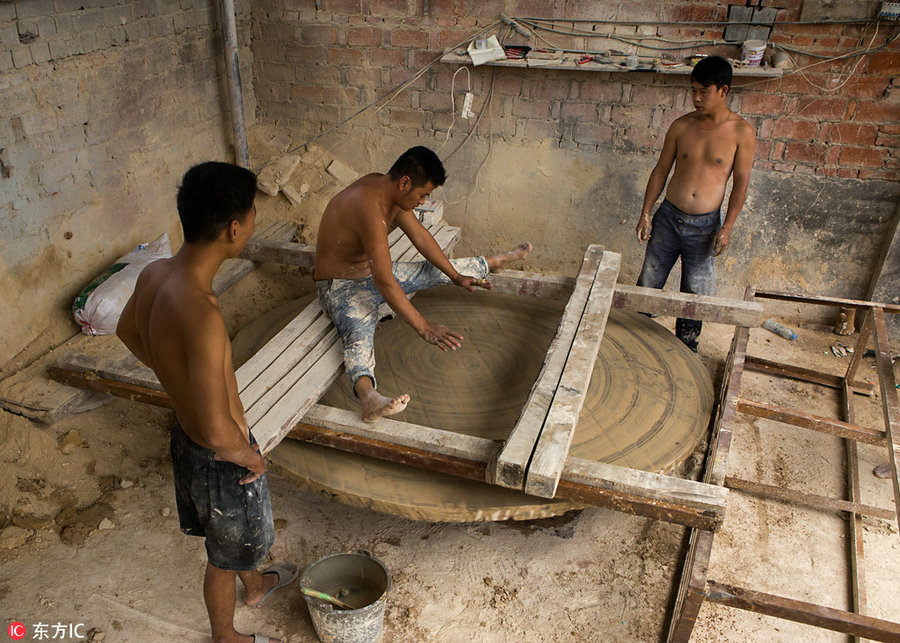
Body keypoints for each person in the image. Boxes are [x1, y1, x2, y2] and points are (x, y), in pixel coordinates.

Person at [117, 162, 296, 643]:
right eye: (254, 214)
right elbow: (220, 433)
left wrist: (174, 377)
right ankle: (226, 636)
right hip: (222, 459)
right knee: (221, 558)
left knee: (230, 541)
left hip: (186, 438)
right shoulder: (203, 314)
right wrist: (250, 456)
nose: (254, 222)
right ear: (234, 228)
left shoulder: (156, 275)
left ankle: (255, 584)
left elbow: (126, 330)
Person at [314, 146, 531, 422]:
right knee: (358, 332)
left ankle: (489, 263)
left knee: (429, 271)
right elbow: (384, 281)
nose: (423, 201)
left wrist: (454, 276)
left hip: (368, 273)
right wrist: (424, 327)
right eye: (423, 194)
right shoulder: (369, 207)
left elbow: (421, 237)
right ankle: (369, 398)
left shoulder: (388, 190)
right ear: (405, 182)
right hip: (340, 287)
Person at [635, 55, 756, 352]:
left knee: (694, 295)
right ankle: (636, 340)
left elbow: (740, 184)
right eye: (693, 91)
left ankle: (686, 350)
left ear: (723, 91)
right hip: (667, 218)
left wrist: (726, 228)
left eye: (704, 91)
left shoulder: (741, 133)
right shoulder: (681, 126)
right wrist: (646, 213)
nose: (696, 98)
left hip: (704, 227)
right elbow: (661, 169)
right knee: (650, 280)